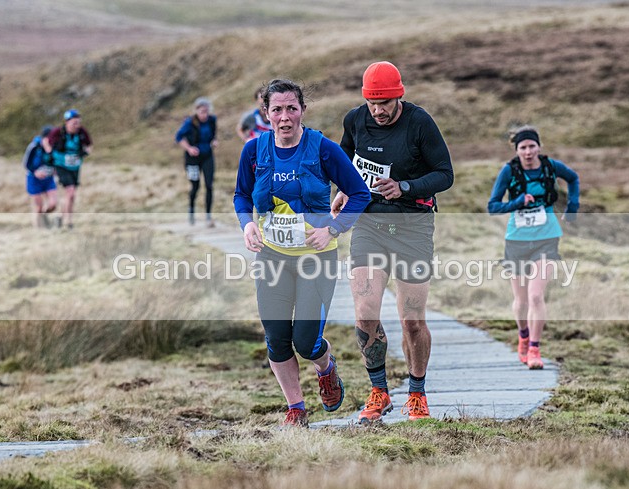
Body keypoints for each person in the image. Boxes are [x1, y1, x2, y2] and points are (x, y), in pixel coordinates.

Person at [233, 79, 371, 427]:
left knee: (306, 341)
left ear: (302, 111)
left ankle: (325, 368)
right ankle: (296, 408)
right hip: (273, 257)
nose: (284, 117)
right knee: (277, 340)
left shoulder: (322, 148)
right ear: (265, 113)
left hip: (316, 259)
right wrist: (247, 225)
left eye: (291, 108)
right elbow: (241, 196)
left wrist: (333, 229)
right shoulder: (254, 150)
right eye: (276, 109)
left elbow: (359, 194)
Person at [331, 61, 454, 423]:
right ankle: (379, 391)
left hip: (413, 226)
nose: (378, 111)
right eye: (372, 103)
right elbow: (345, 162)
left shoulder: (419, 123)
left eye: (385, 104)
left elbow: (445, 174)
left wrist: (406, 187)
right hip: (370, 223)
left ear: (399, 96)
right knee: (365, 312)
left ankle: (416, 393)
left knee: (411, 320)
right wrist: (342, 191)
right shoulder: (355, 120)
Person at [487, 125, 580, 369]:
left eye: (531, 146)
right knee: (520, 301)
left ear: (538, 147)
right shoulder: (509, 171)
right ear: (517, 150)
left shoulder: (551, 167)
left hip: (547, 238)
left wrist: (573, 206)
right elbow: (493, 206)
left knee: (536, 295)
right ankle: (524, 336)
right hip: (516, 240)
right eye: (523, 148)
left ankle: (535, 350)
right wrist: (517, 202)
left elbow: (573, 178)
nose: (528, 152)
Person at [42, 109, 93, 230]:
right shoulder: (58, 132)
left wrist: (85, 152)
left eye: (78, 122)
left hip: (75, 166)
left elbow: (90, 145)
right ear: (67, 122)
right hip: (61, 165)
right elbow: (45, 141)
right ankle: (68, 222)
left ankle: (61, 216)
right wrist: (50, 153)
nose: (77, 125)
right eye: (74, 123)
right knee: (70, 192)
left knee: (71, 195)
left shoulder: (82, 132)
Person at [175, 97, 219, 227]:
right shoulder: (189, 123)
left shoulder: (212, 120)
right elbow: (178, 137)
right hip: (192, 159)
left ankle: (208, 215)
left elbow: (214, 134)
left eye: (206, 111)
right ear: (196, 111)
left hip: (207, 156)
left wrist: (215, 141)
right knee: (195, 186)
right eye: (201, 112)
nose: (204, 114)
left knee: (209, 185)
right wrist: (189, 148)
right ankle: (191, 210)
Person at [23, 126, 58, 228]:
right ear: (45, 138)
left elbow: (57, 162)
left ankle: (44, 218)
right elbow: (26, 164)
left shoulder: (54, 147)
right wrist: (35, 172)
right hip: (34, 180)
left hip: (48, 179)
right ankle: (39, 229)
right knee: (38, 207)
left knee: (53, 204)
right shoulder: (34, 146)